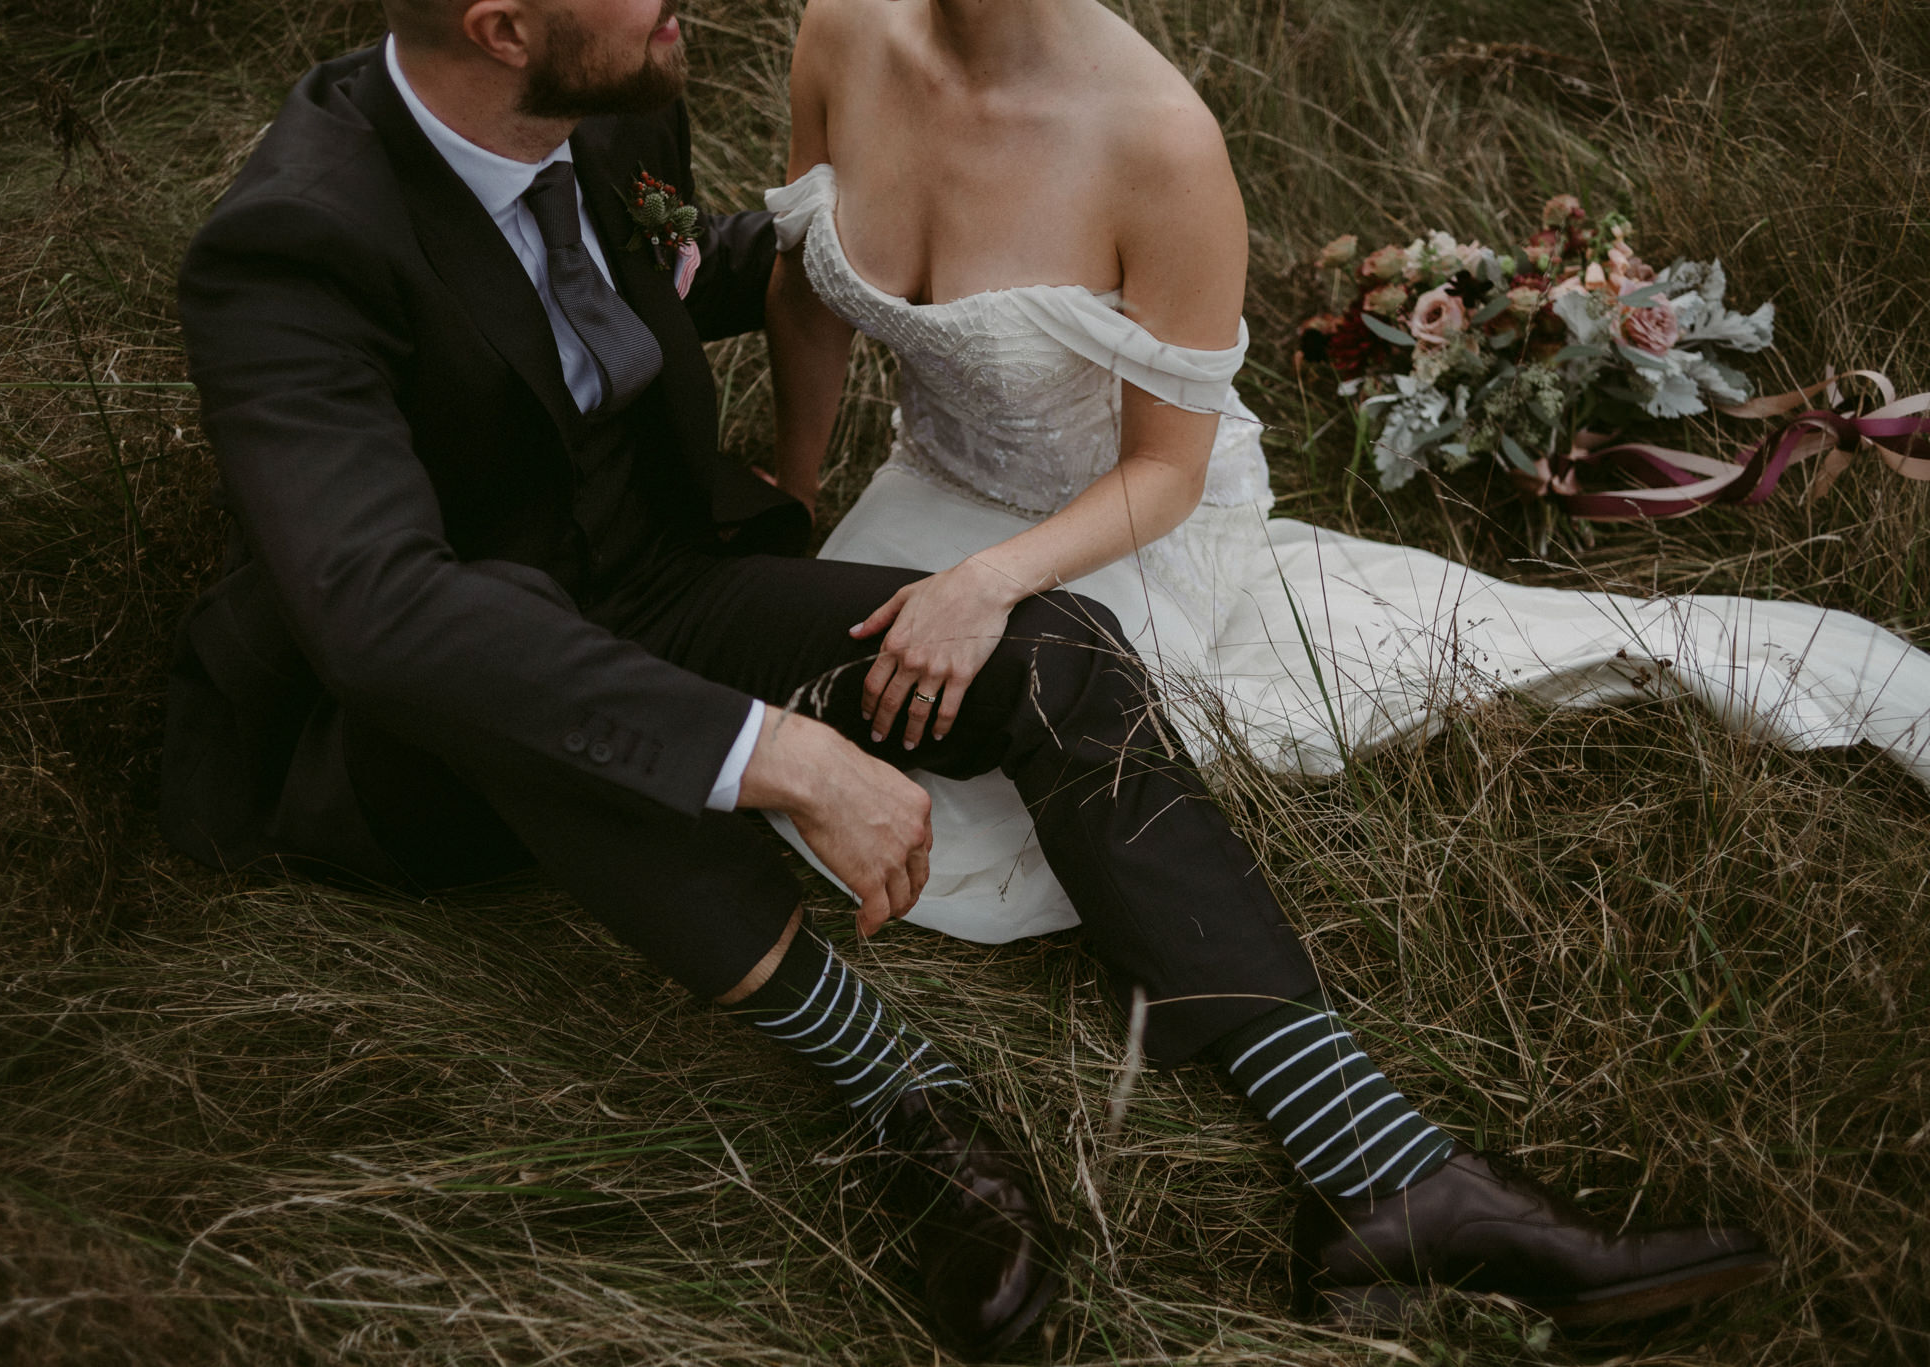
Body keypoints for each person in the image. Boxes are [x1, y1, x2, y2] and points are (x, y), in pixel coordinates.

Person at [161, 0, 1774, 1355]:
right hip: (424, 727)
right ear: (505, 29)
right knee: (518, 668)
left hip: (655, 578)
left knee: (1051, 644)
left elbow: (670, 277)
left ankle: (1375, 1168)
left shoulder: (605, 95)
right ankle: (913, 1107)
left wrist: (874, 297)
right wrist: (778, 753)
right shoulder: (291, 245)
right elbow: (382, 614)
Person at [766, 0, 1930, 946]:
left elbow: (1165, 469)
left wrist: (990, 585)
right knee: (806, 731)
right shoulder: (840, 32)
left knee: (985, 824)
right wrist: (790, 498)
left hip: (1110, 522)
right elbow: (806, 304)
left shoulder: (1158, 142)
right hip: (933, 482)